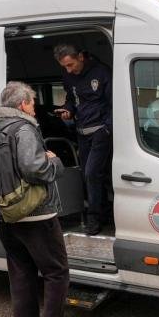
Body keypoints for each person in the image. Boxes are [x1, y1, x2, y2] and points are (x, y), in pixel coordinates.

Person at [0, 82, 70, 317]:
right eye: (32, 103)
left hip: (4, 215)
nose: (34, 108)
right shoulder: (24, 128)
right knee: (56, 272)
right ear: (21, 105)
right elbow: (34, 168)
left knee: (21, 274)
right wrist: (55, 162)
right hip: (35, 214)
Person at [53, 44, 112, 236]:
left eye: (70, 65)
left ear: (80, 57)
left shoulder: (101, 72)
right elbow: (72, 100)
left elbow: (113, 102)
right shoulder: (68, 76)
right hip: (82, 132)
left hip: (100, 131)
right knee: (89, 176)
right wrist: (67, 110)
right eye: (65, 67)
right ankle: (104, 213)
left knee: (92, 174)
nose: (69, 70)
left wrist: (107, 129)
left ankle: (93, 220)